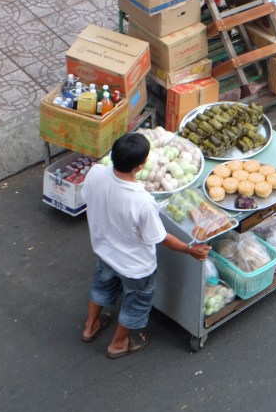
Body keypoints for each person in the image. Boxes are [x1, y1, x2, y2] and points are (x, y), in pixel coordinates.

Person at [81, 132, 210, 358]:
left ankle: (90, 327)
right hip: (135, 267)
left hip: (104, 252)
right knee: (135, 304)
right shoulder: (141, 200)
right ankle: (118, 344)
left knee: (101, 286)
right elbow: (160, 238)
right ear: (140, 167)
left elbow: (89, 198)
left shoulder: (96, 173)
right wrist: (190, 250)